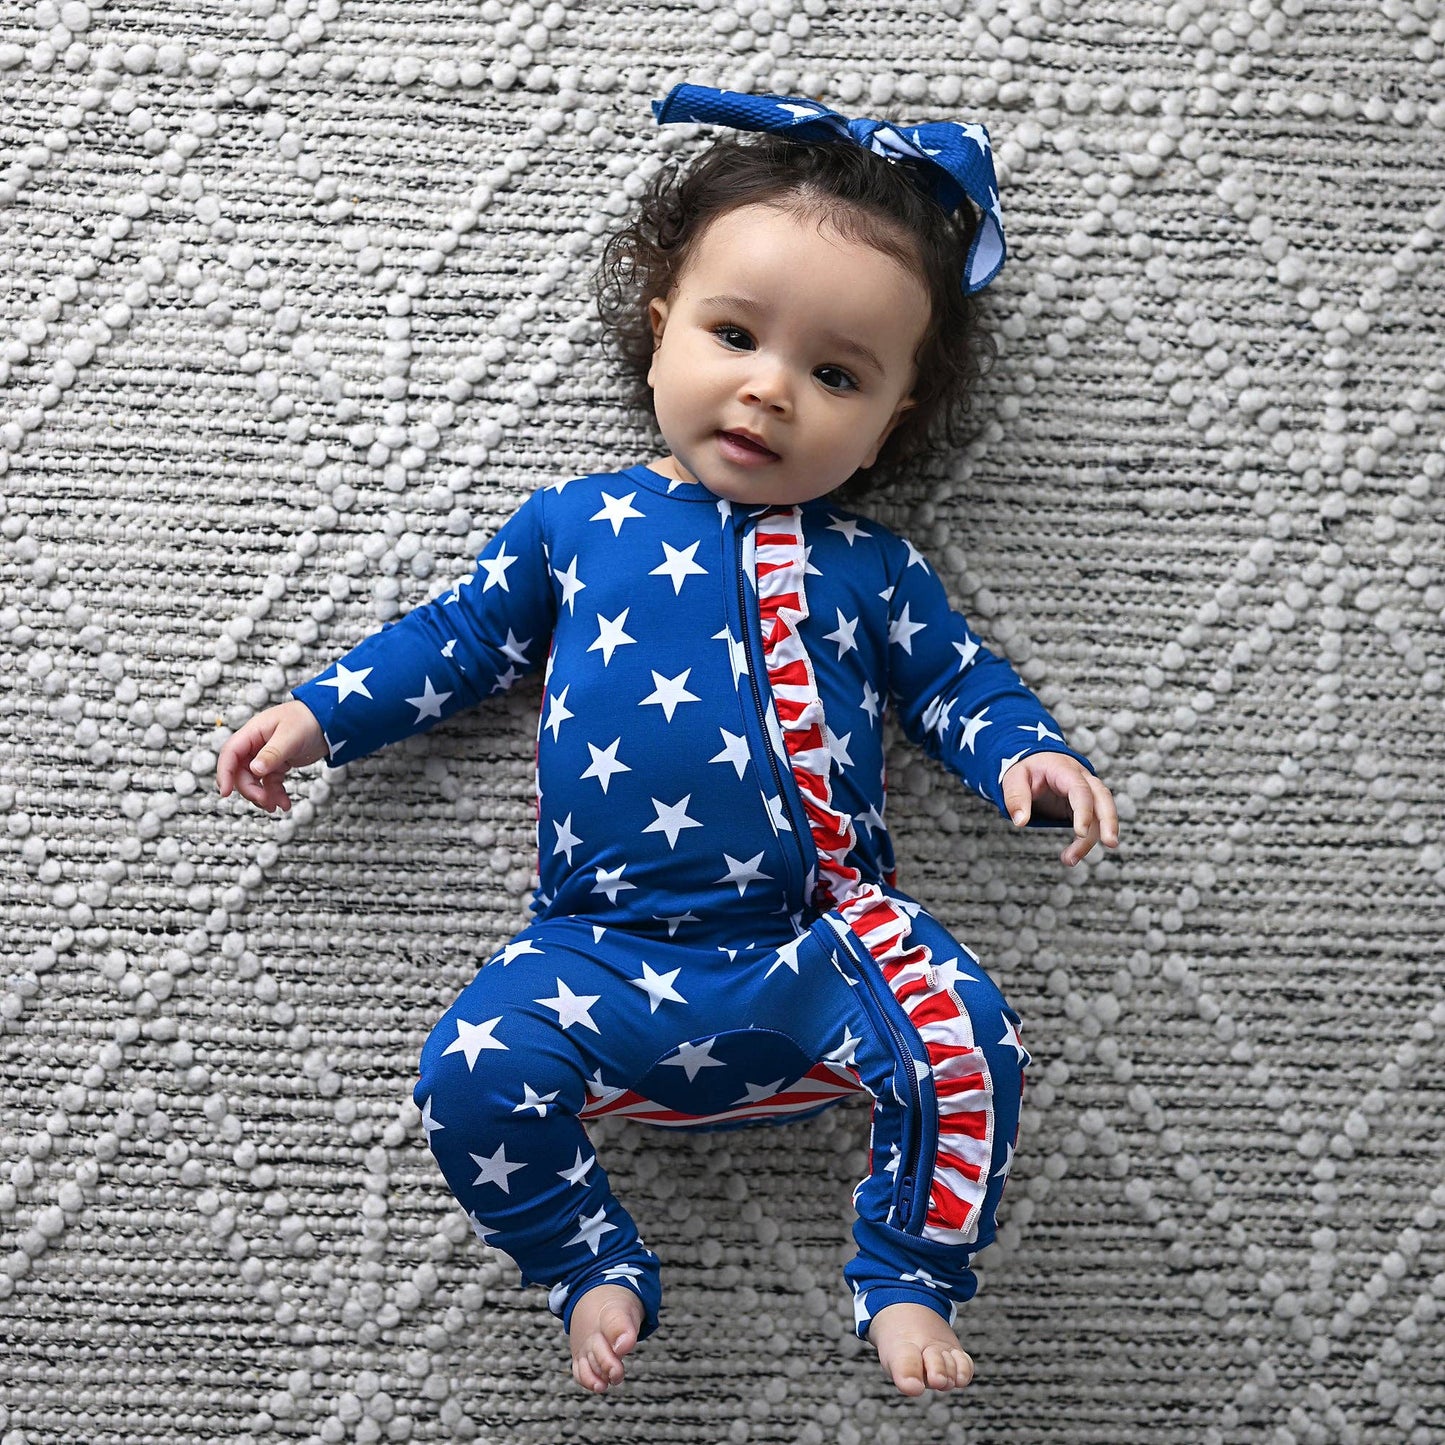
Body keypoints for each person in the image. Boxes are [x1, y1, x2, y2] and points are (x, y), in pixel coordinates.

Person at [216, 84, 1119, 1399]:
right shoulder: (574, 525)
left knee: (972, 1041)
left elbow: (953, 684)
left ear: (892, 421)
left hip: (819, 947)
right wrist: (321, 713)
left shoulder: (869, 565)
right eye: (733, 334)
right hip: (597, 952)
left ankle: (909, 1270)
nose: (768, 390)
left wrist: (1023, 757)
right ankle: (585, 1256)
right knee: (468, 1075)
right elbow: (459, 639)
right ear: (659, 332)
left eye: (835, 375)